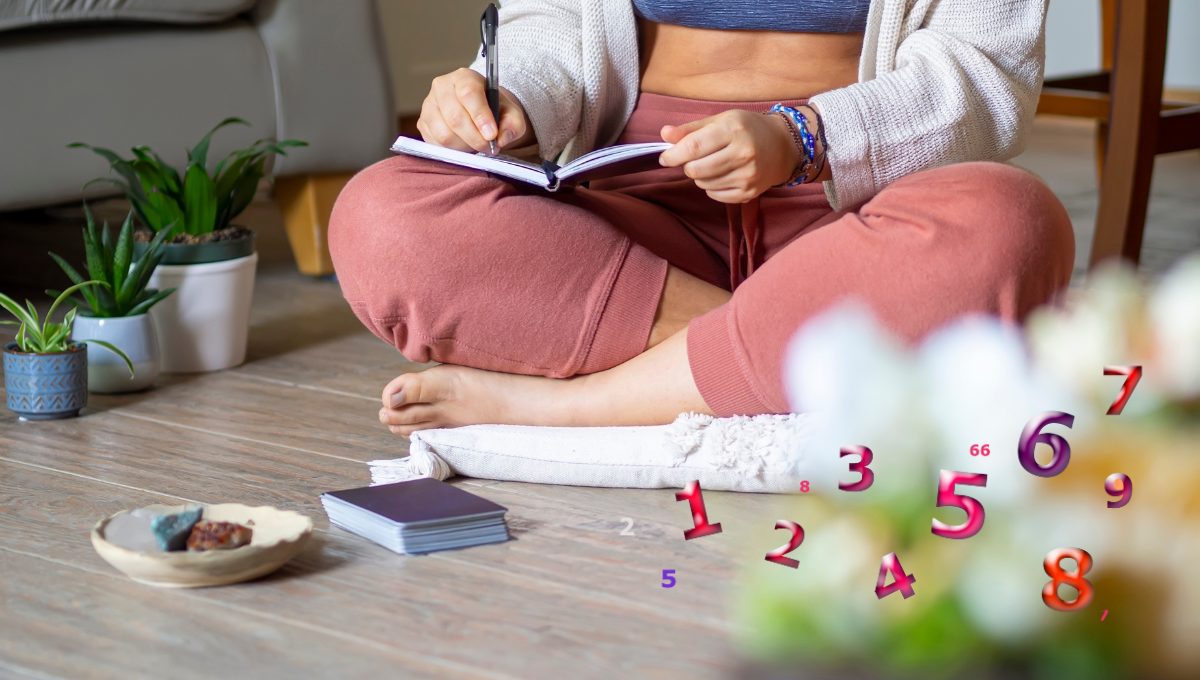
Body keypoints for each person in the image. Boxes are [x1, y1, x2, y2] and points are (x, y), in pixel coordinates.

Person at [329, 0, 1075, 438]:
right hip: (631, 207)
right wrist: (509, 100)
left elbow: (984, 72)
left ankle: (575, 406)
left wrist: (807, 138)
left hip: (853, 202)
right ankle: (782, 356)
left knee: (1012, 221)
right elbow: (547, 22)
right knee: (379, 219)